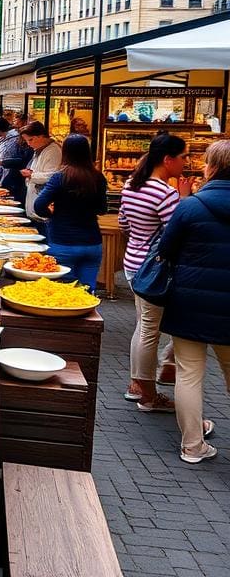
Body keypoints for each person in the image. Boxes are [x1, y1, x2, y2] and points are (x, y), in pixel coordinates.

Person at [158, 140, 230, 463]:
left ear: (211, 166)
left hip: (189, 299)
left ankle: (192, 446)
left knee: (188, 374)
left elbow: (166, 249)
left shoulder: (190, 206)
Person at [118, 133, 190, 410]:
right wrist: (184, 200)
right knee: (149, 330)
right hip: (154, 267)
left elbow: (124, 223)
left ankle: (139, 385)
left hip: (133, 262)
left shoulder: (130, 186)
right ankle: (143, 390)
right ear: (167, 159)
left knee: (144, 326)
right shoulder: (166, 193)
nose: (186, 163)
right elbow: (177, 234)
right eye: (183, 157)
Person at [32, 134, 108, 292]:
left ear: (65, 152)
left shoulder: (60, 177)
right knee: (87, 292)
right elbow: (102, 209)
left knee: (63, 293)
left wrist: (53, 215)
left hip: (63, 241)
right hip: (92, 243)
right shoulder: (98, 177)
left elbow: (39, 205)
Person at [20, 121, 62, 228]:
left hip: (43, 212)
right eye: (26, 141)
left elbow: (52, 177)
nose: (29, 144)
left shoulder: (53, 151)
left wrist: (31, 175)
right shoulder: (40, 149)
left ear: (41, 136)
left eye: (31, 140)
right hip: (36, 210)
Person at [0, 118, 31, 203]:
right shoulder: (2, 138)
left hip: (14, 179)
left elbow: (21, 160)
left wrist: (2, 162)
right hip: (4, 176)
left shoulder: (15, 139)